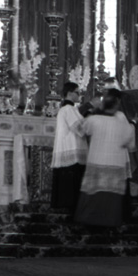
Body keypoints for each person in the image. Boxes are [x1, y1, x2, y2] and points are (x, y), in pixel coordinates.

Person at [74, 89, 135, 227]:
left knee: (93, 193)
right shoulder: (123, 122)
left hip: (97, 160)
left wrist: (90, 109)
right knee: (111, 197)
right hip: (116, 162)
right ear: (117, 104)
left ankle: (90, 222)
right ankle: (110, 223)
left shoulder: (93, 119)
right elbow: (130, 145)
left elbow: (79, 129)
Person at [51, 82, 88, 212]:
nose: (79, 95)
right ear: (70, 93)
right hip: (71, 151)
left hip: (69, 150)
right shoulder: (68, 109)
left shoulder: (68, 109)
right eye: (77, 92)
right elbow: (80, 129)